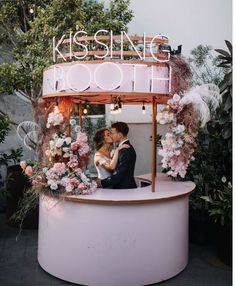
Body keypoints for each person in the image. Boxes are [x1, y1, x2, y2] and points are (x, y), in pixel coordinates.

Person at [98, 122, 137, 189]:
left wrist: (100, 183)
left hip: (125, 190)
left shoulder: (125, 150)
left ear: (120, 135)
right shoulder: (121, 148)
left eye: (112, 133)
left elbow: (118, 175)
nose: (111, 135)